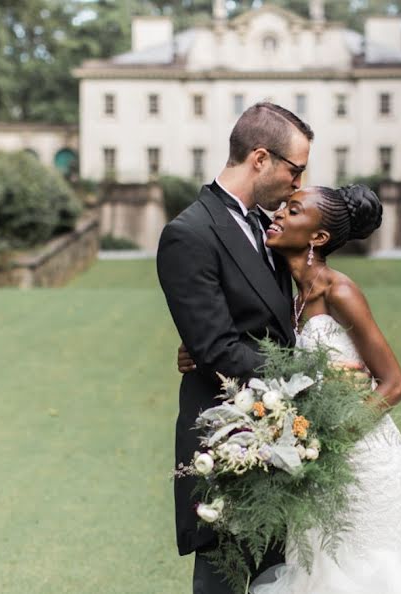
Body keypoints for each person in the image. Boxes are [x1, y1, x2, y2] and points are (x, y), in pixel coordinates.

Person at [249, 184, 401, 594]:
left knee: (363, 578)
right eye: (282, 207)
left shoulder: (340, 291)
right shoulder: (291, 296)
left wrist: (329, 442)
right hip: (313, 465)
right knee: (314, 577)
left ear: (318, 238)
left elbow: (395, 383)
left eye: (293, 211)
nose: (277, 215)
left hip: (364, 460)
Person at [156, 102, 313, 594]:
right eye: (296, 169)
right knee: (221, 583)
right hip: (228, 447)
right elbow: (219, 349)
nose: (298, 183)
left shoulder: (274, 230)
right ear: (260, 159)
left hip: (284, 441)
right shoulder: (190, 234)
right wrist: (312, 377)